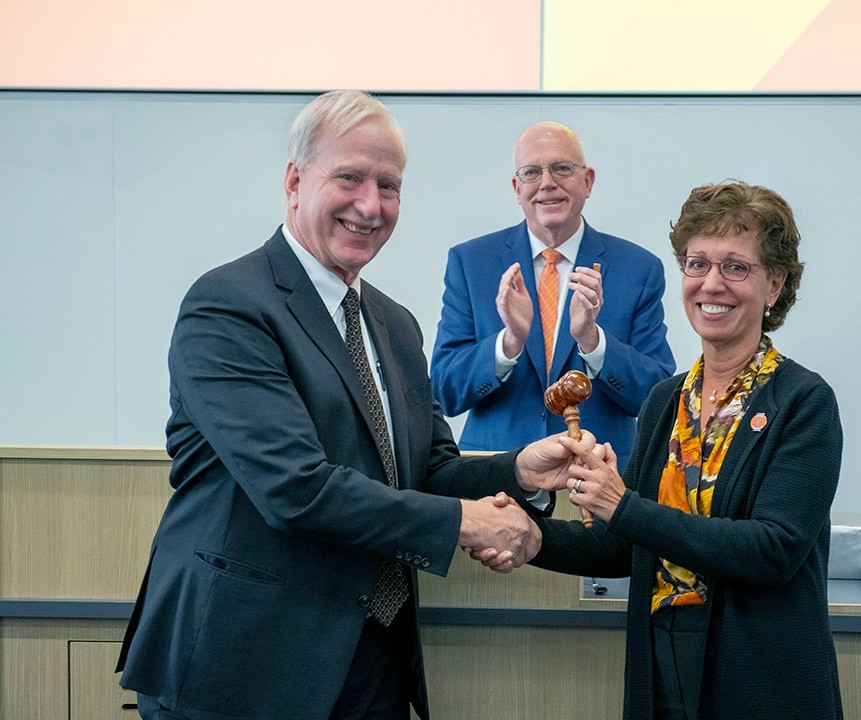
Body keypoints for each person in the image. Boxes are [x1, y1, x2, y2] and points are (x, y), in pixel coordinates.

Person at [115, 90, 583, 720]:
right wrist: (465, 524)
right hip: (244, 665)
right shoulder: (228, 306)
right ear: (294, 181)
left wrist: (519, 469)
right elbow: (296, 488)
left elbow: (427, 470)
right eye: (350, 178)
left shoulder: (394, 323)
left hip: (372, 661)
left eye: (388, 185)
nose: (371, 205)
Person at [497, 181, 845, 718]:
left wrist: (624, 505)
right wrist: (530, 536)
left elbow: (773, 551)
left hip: (759, 680)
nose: (711, 283)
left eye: (736, 267)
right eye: (697, 263)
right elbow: (626, 546)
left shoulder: (803, 402)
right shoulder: (666, 400)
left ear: (774, 285)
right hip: (662, 667)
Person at [431, 121, 675, 468]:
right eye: (532, 172)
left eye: (562, 168)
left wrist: (593, 341)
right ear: (517, 188)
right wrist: (509, 343)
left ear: (588, 181)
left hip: (599, 475)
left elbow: (658, 401)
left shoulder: (638, 268)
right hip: (497, 475)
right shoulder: (471, 262)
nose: (547, 183)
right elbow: (444, 391)